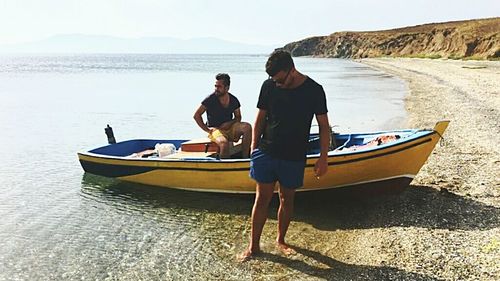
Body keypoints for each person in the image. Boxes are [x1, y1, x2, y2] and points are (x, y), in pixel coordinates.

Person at [239, 50, 330, 261]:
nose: (276, 83)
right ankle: (254, 247)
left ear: (291, 70)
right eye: (273, 80)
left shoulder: (314, 90)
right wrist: (254, 148)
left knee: (286, 199)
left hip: (294, 156)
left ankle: (281, 240)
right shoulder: (268, 85)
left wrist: (323, 158)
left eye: (280, 79)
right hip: (266, 152)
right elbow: (260, 118)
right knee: (261, 199)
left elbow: (324, 126)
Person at [193, 73, 252, 158]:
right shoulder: (210, 99)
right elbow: (197, 115)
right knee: (224, 144)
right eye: (216, 86)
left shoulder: (233, 100)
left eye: (219, 87)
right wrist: (207, 130)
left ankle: (245, 159)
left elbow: (238, 117)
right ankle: (224, 167)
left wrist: (230, 123)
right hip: (216, 130)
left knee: (247, 127)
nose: (216, 89)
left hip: (230, 128)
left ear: (227, 88)